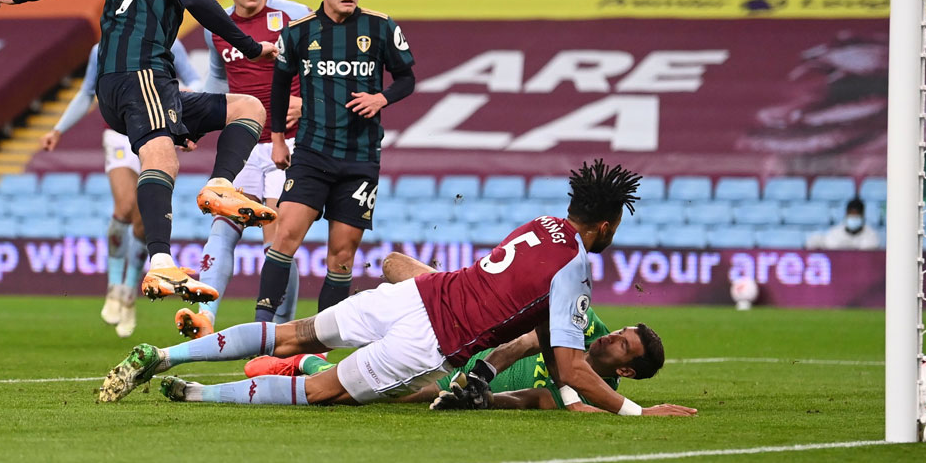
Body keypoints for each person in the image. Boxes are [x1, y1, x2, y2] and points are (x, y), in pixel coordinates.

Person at [99, 160, 696, 417]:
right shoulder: (575, 265)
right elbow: (568, 365)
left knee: (292, 332)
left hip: (418, 296)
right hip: (431, 337)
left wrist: (489, 372)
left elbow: (531, 317)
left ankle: (165, 354)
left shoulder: (541, 226)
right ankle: (199, 395)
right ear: (609, 223)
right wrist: (637, 411)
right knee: (324, 391)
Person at [0, 0, 281, 306]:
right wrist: (246, 44)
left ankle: (220, 183)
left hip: (120, 83)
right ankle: (161, 261)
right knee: (161, 158)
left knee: (248, 108)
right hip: (141, 72)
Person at [250, 0, 416, 321]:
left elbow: (407, 78)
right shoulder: (298, 33)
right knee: (285, 237)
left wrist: (381, 98)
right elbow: (279, 88)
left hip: (360, 159)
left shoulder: (381, 27)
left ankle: (322, 343)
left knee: (342, 256)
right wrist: (277, 138)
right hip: (311, 153)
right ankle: (263, 330)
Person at [173, 0, 310, 339]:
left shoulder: (295, 16)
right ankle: (205, 317)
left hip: (291, 144)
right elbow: (218, 83)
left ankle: (278, 330)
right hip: (246, 146)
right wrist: (192, 124)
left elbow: (326, 69)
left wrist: (307, 104)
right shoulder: (218, 26)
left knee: (277, 239)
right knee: (222, 227)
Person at [40, 40, 201, 337]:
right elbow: (87, 92)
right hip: (119, 137)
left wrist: (185, 116)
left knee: (143, 221)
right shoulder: (101, 48)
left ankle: (128, 292)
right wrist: (58, 129)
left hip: (157, 135)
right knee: (125, 206)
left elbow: (195, 80)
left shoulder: (169, 42)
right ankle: (114, 287)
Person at [245, 304, 667, 412]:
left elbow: (532, 400)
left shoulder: (597, 395)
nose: (612, 335)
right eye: (621, 331)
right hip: (474, 340)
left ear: (626, 370)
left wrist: (482, 400)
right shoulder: (585, 321)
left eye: (622, 344)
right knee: (397, 267)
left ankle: (307, 364)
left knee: (376, 396)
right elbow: (542, 321)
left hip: (458, 382)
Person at [806, 197, 881, 250]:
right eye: (851, 214)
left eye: (856, 215)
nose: (853, 217)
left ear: (862, 216)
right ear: (846, 214)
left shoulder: (871, 235)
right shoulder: (835, 233)